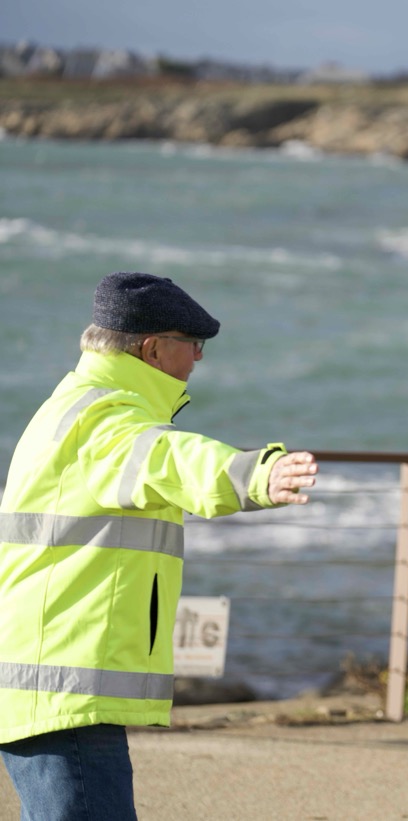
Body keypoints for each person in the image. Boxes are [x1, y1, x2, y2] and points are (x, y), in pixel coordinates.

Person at [0, 271, 319, 820]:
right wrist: (253, 474)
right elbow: (167, 458)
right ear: (151, 349)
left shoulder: (77, 405)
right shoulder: (104, 418)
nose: (198, 357)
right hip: (65, 694)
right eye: (191, 343)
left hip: (48, 689)